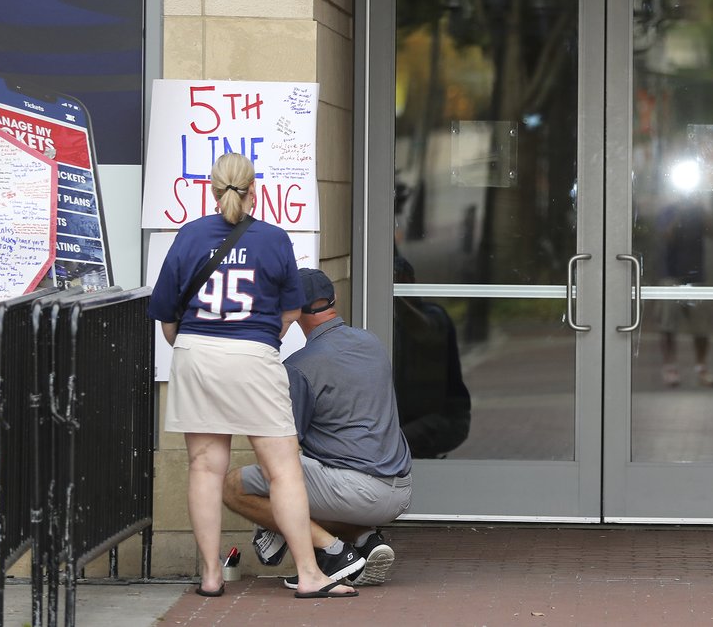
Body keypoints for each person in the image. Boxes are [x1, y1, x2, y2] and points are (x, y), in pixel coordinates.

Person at [148, 154, 357, 600]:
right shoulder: (274, 239)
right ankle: (309, 574)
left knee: (205, 467)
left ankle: (210, 575)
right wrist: (264, 338)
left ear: (211, 188)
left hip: (195, 355)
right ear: (253, 190)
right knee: (282, 471)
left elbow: (166, 316)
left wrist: (193, 345)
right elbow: (291, 311)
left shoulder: (189, 236)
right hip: (254, 356)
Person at [224, 267, 413, 589]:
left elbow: (282, 447)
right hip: (400, 489)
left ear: (293, 309)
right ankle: (364, 538)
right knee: (299, 480)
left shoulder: (299, 367)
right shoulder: (371, 342)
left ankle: (334, 553)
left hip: (355, 490)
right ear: (334, 298)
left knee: (233, 486)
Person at [393, 255, 472, 458]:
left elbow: (426, 332)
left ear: (411, 283)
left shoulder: (435, 316)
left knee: (389, 443)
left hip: (443, 419)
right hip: (406, 421)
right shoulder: (388, 323)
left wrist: (395, 296)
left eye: (399, 282)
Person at [657, 190, 713, 387]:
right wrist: (680, 212)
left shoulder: (699, 212)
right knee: (668, 325)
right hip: (671, 275)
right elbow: (667, 236)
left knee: (701, 326)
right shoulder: (669, 211)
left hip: (696, 277)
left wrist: (701, 208)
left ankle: (701, 368)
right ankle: (670, 368)